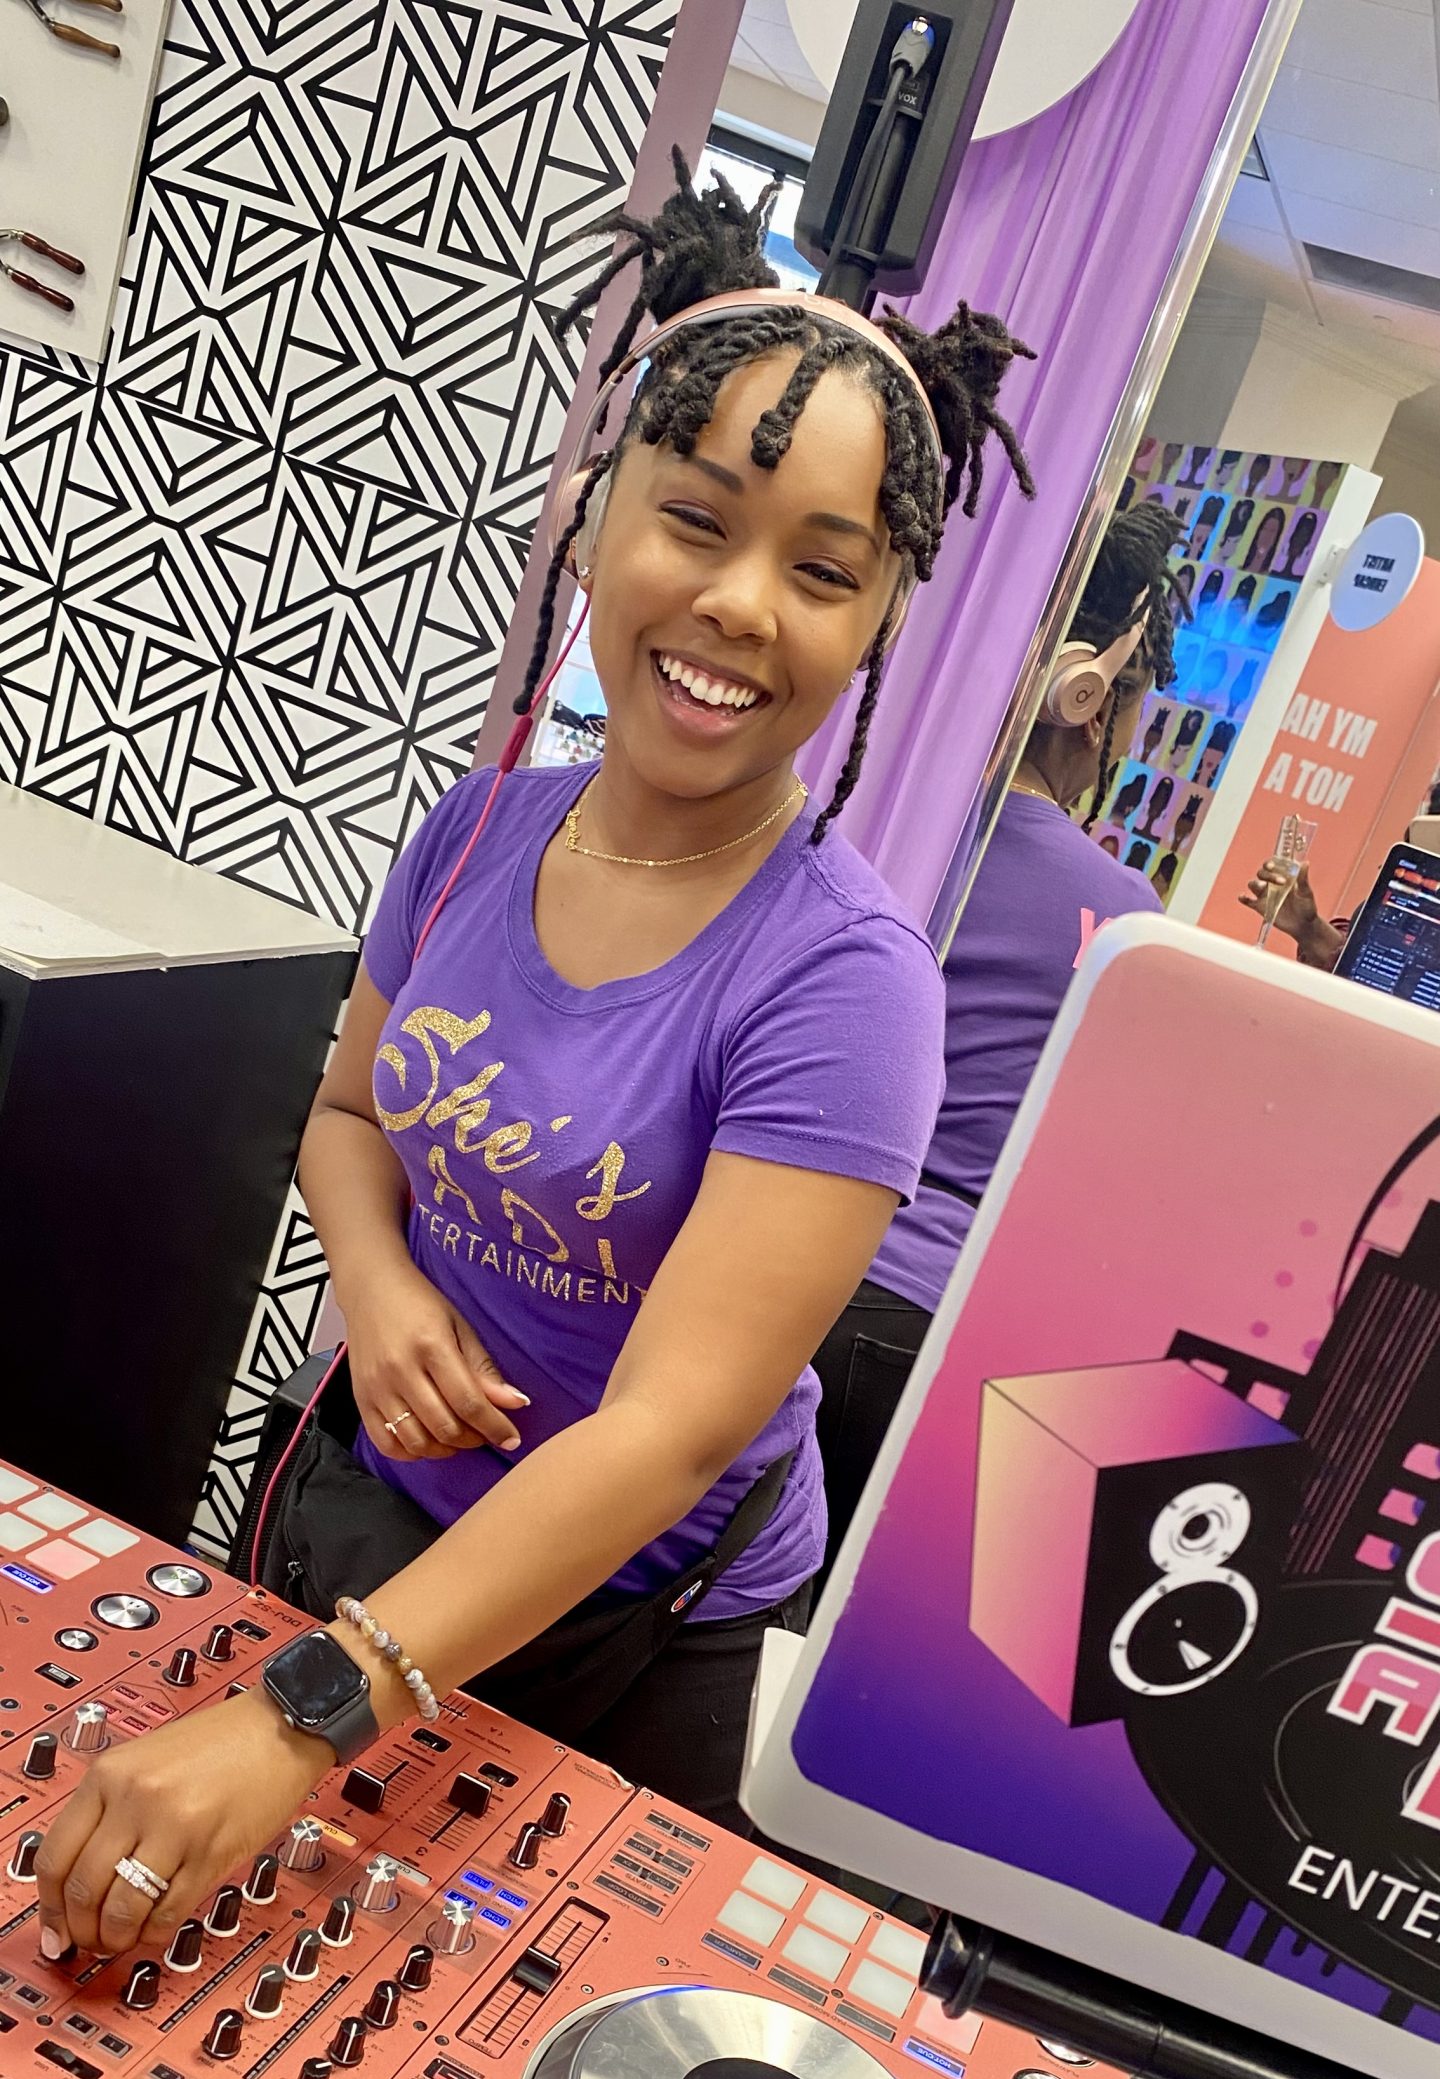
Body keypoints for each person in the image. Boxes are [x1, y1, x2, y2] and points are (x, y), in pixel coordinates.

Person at [34, 155, 1034, 1958]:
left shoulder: (848, 986)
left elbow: (664, 1435)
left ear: (880, 621)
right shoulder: (475, 830)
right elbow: (351, 1114)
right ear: (596, 517)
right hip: (374, 1529)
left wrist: (295, 1722)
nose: (742, 604)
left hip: (633, 1639)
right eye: (696, 520)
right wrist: (379, 1287)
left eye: (822, 569)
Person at [812, 499, 1184, 1575]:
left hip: (777, 1268)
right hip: (925, 1329)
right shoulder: (1123, 914)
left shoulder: (871, 823)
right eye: (1139, 702)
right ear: (1089, 697)